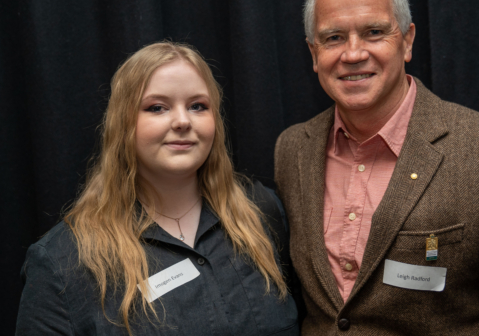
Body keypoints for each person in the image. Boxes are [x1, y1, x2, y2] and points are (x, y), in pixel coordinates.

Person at [274, 0, 479, 334]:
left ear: (407, 41)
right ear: (314, 54)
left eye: (373, 32)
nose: (352, 53)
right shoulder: (292, 151)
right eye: (334, 37)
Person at [17, 42, 299, 335]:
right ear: (123, 123)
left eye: (197, 106)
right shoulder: (62, 262)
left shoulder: (262, 215)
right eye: (157, 108)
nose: (182, 121)